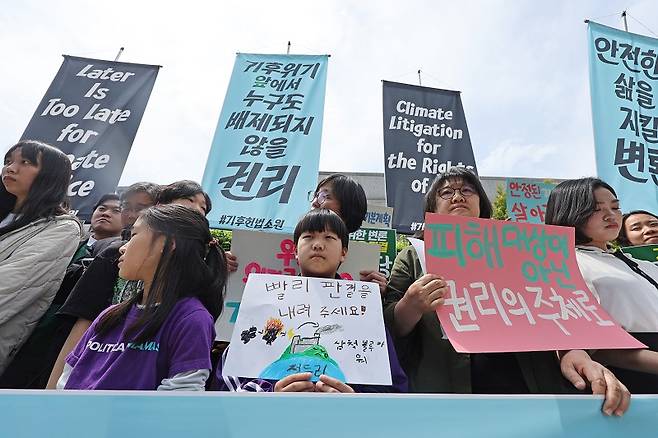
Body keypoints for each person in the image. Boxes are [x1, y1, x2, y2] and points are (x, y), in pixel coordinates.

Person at [383, 168, 630, 416]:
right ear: (432, 209)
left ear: (482, 203)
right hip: (450, 391)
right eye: (446, 192)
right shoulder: (413, 255)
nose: (458, 197)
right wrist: (411, 305)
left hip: (530, 385)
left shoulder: (522, 249)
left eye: (467, 190)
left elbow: (558, 310)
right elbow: (390, 328)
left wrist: (573, 352)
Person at [214, 208, 407, 393]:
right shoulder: (262, 302)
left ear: (344, 252)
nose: (318, 245)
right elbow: (227, 382)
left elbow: (394, 387)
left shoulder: (365, 311)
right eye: (308, 237)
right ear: (295, 252)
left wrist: (353, 397)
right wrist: (270, 392)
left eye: (329, 238)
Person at [56, 204, 227, 390]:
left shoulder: (191, 318)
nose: (123, 248)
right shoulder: (109, 315)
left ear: (167, 244)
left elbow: (179, 398)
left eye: (134, 236)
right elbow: (68, 378)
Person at [545, 178, 658, 393]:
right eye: (596, 209)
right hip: (629, 381)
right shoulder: (565, 264)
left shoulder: (640, 262)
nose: (611, 215)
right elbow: (597, 348)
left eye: (615, 207)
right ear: (570, 212)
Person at [45, 182, 160, 388]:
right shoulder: (111, 254)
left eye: (141, 208)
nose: (132, 213)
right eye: (127, 206)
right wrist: (53, 389)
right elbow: (83, 322)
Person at [0, 140, 82, 375]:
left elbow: (11, 288)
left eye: (25, 162)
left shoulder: (61, 228)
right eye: (8, 162)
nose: (10, 168)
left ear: (51, 175)